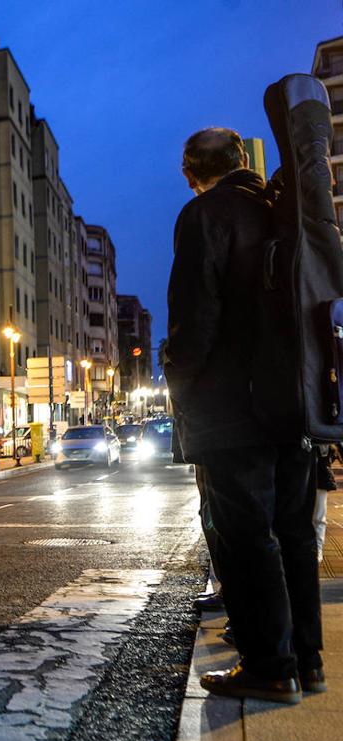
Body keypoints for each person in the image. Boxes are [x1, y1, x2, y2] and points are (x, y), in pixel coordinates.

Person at [164, 127, 323, 704]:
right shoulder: (282, 210)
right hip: (294, 400)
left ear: (191, 171)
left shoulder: (205, 214)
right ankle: (307, 660)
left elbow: (195, 313)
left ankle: (267, 665)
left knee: (245, 536)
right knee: (293, 533)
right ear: (242, 161)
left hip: (232, 407)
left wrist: (177, 378)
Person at [314, 445, 338, 564]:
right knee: (318, 517)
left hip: (320, 476)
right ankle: (316, 551)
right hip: (309, 475)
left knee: (319, 517)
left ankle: (318, 551)